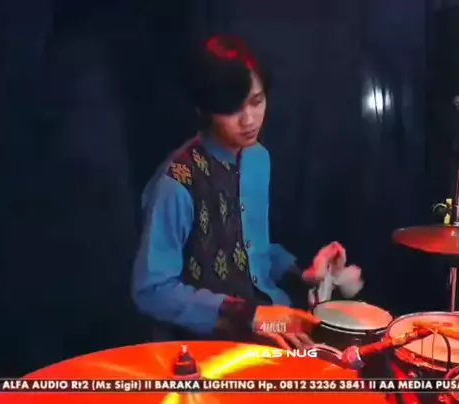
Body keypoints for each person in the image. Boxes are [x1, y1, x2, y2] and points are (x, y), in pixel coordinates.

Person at [132, 35, 363, 350]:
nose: (249, 120)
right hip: (210, 343)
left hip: (271, 322)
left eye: (257, 101)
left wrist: (305, 272)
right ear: (205, 109)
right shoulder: (175, 183)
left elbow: (252, 250)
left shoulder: (257, 159)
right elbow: (151, 290)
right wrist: (250, 317)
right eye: (232, 109)